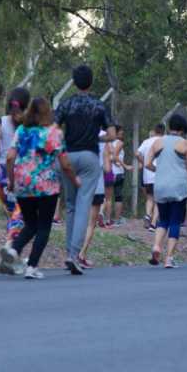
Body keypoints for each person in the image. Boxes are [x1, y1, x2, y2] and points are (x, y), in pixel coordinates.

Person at [0, 98, 80, 279]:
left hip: (23, 183)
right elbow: (65, 164)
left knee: (30, 224)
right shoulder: (54, 133)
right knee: (43, 226)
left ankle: (14, 249)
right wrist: (75, 180)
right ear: (47, 112)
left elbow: (10, 157)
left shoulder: (21, 130)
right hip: (46, 186)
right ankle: (32, 267)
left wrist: (11, 181)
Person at [54, 65, 116, 275]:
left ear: (74, 82)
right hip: (89, 157)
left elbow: (53, 129)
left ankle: (68, 253)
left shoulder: (66, 104)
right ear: (91, 82)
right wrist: (98, 138)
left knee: (70, 205)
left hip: (68, 157)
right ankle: (74, 255)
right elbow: (112, 134)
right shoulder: (99, 106)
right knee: (83, 206)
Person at [146, 114, 187, 268]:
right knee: (175, 221)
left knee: (163, 220)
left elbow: (147, 164)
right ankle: (169, 258)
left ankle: (156, 246)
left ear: (169, 127)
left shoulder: (157, 142)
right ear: (182, 130)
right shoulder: (186, 144)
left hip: (160, 185)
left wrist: (159, 170)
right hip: (178, 187)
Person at [0, 87, 30, 249]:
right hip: (19, 173)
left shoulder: (0, 122)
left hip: (1, 174)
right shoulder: (28, 126)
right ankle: (9, 248)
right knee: (19, 215)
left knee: (13, 215)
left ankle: (11, 250)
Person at [77, 131, 111, 269]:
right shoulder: (105, 137)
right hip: (97, 184)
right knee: (91, 223)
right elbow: (107, 168)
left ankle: (72, 254)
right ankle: (81, 255)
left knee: (79, 220)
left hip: (80, 182)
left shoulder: (80, 132)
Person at [137, 124, 164, 231]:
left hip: (147, 174)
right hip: (160, 173)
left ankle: (148, 215)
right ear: (163, 131)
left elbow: (137, 153)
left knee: (149, 198)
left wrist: (144, 162)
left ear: (155, 131)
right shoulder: (163, 141)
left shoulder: (146, 141)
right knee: (158, 200)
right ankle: (153, 224)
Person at [104, 125, 129, 226]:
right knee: (118, 196)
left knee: (108, 198)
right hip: (117, 172)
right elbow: (114, 157)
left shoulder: (107, 142)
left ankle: (107, 219)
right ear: (116, 132)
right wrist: (123, 165)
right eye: (121, 131)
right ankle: (117, 220)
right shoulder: (119, 143)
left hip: (108, 172)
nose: (122, 133)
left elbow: (109, 156)